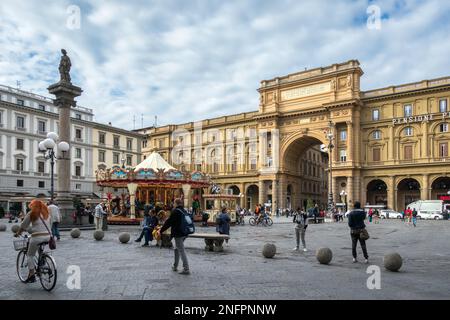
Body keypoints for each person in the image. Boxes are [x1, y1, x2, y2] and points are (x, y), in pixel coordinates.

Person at [14, 200, 52, 283]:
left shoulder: (32, 213)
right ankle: (42, 261)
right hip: (48, 236)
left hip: (37, 237)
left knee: (30, 255)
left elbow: (23, 226)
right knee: (39, 247)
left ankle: (31, 274)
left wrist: (18, 233)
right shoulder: (46, 213)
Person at [157, 198, 190, 275]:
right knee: (177, 248)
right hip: (185, 232)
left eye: (174, 203)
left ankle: (186, 268)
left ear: (175, 203)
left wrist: (160, 230)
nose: (173, 204)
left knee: (181, 250)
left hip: (178, 233)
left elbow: (168, 222)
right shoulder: (184, 211)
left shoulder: (175, 211)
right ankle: (175, 266)